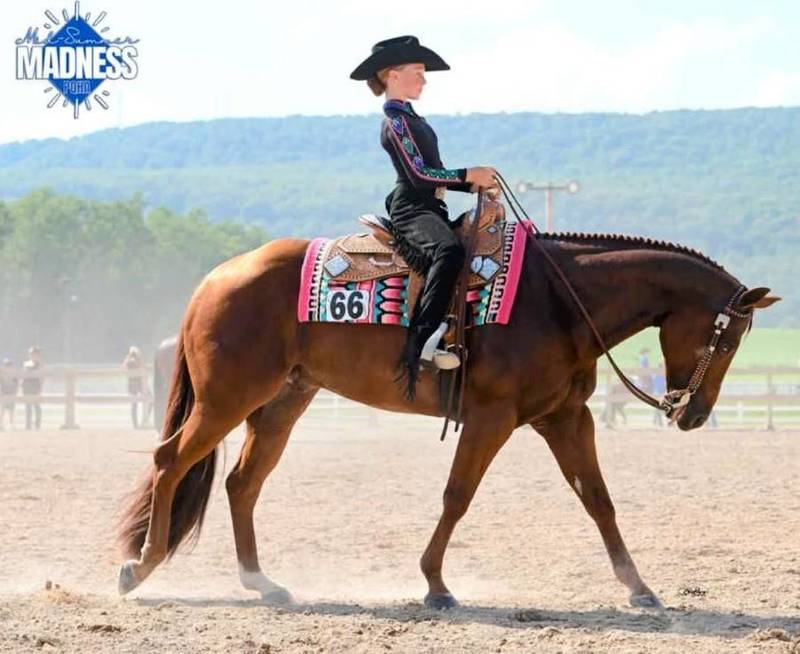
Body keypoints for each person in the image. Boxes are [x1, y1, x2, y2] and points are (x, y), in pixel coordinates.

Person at [350, 35, 499, 400]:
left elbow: (434, 174)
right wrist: (468, 174)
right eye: (417, 71)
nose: (424, 79)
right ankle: (423, 341)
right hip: (411, 209)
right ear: (392, 75)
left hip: (431, 206)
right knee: (448, 251)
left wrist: (473, 185)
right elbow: (418, 174)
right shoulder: (395, 122)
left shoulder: (412, 119)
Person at [122, 346, 151, 429]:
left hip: (138, 384)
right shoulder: (130, 361)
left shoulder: (132, 361)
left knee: (144, 401)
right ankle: (139, 423)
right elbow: (124, 369)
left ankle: (141, 421)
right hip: (136, 384)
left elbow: (143, 369)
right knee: (135, 404)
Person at [21, 346, 43, 430]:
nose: (32, 355)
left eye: (34, 354)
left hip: (35, 387)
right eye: (31, 354)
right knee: (28, 407)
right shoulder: (25, 364)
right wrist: (22, 386)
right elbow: (23, 375)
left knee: (37, 406)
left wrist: (40, 389)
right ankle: (28, 425)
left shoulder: (40, 364)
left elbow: (41, 377)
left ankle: (37, 425)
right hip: (27, 387)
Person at [0, 357, 18, 431]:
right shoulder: (1, 375)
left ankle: (11, 425)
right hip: (4, 394)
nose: (8, 367)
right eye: (6, 365)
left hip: (11, 394)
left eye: (9, 365)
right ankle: (1, 425)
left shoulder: (13, 375)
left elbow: (16, 385)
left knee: (11, 410)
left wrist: (15, 393)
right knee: (2, 410)